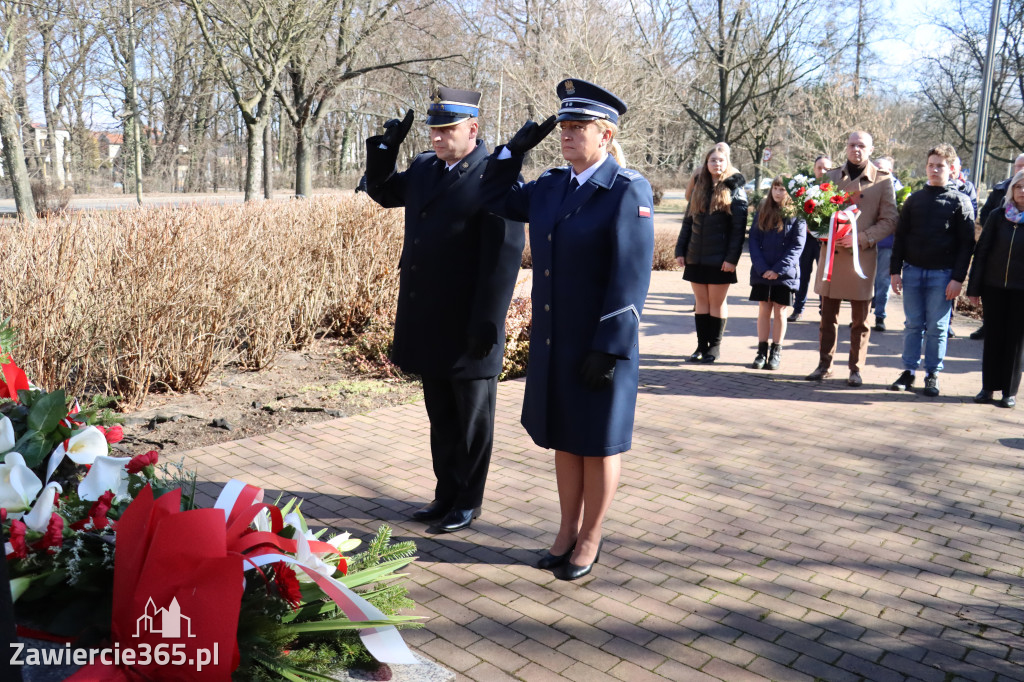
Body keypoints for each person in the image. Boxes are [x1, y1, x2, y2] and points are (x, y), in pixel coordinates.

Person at [481, 79, 655, 580]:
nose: (568, 134)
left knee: (598, 443)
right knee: (565, 438)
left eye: (580, 127)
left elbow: (632, 274)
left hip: (601, 344)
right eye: (564, 126)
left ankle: (591, 536)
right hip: (557, 339)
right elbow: (493, 195)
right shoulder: (553, 185)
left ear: (607, 134)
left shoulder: (626, 189)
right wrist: (513, 150)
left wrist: (610, 346)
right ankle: (565, 530)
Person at [363, 86, 525, 533]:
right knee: (441, 414)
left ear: (473, 129)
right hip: (429, 315)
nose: (437, 137)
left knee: (472, 418)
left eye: (447, 130)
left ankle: (468, 501)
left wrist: (487, 321)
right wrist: (384, 149)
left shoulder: (495, 174)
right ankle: (445, 493)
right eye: (434, 130)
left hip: (470, 319)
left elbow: (503, 257)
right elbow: (381, 191)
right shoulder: (422, 167)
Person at [805, 131, 898, 386]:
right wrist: (824, 232)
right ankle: (824, 364)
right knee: (827, 317)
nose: (856, 149)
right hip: (832, 255)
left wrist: (862, 238)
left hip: (861, 256)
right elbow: (815, 213)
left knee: (860, 320)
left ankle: (855, 369)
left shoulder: (882, 181)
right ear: (845, 147)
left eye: (861, 146)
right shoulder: (831, 177)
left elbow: (889, 220)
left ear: (870, 149)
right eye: (852, 145)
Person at [888, 144, 975, 397]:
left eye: (941, 165)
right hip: (913, 272)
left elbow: (966, 245)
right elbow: (901, 237)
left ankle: (932, 374)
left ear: (951, 169)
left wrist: (958, 278)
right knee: (913, 324)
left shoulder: (961, 201)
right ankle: (908, 371)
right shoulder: (914, 199)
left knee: (937, 327)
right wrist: (895, 271)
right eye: (931, 165)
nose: (935, 169)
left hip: (943, 275)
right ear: (926, 167)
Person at [675, 142, 747, 363]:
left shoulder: (734, 188)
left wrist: (731, 259)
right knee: (701, 303)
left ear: (727, 164)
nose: (716, 163)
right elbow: (687, 222)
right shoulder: (699, 187)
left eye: (720, 160)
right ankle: (700, 346)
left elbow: (738, 230)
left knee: (716, 303)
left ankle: (714, 347)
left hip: (720, 259)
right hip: (696, 255)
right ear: (706, 164)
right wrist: (681, 250)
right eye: (712, 160)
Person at [967, 169, 1024, 409]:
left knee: (1015, 341)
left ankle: (1008, 392)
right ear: (1012, 189)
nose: (1023, 191)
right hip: (994, 288)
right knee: (993, 338)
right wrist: (974, 288)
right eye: (1019, 186)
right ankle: (987, 387)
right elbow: (981, 252)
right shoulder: (997, 215)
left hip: (1021, 291)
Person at [748, 177, 806, 370]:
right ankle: (761, 352)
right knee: (764, 309)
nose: (778, 192)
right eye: (775, 188)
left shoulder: (798, 214)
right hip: (762, 271)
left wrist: (778, 270)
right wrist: (763, 268)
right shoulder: (762, 210)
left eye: (782, 189)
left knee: (780, 311)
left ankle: (776, 351)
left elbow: (797, 246)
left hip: (784, 274)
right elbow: (754, 241)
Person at [971, 152, 1024, 340]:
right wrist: (997, 229)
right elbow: (985, 215)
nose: (1021, 169)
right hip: (996, 269)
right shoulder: (1001, 190)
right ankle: (986, 326)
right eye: (1018, 166)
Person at [790, 154, 831, 322]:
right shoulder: (806, 189)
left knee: (824, 277)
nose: (822, 171)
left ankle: (825, 311)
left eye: (826, 168)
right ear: (814, 169)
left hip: (825, 241)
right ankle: (798, 309)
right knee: (803, 275)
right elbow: (797, 211)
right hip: (806, 240)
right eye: (819, 167)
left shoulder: (834, 190)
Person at [870, 156, 901, 332]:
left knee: (882, 281)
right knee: (864, 280)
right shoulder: (867, 187)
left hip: (888, 245)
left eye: (883, 169)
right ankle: (861, 315)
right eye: (876, 169)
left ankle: (880, 316)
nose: (878, 172)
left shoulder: (901, 192)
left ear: (890, 171)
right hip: (867, 242)